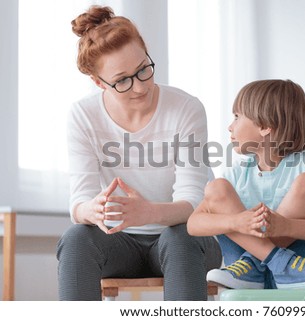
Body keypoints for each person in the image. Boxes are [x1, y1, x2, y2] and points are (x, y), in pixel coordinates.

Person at [56, 5, 221, 301]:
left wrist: (150, 212)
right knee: (77, 238)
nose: (140, 87)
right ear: (98, 82)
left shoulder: (186, 108)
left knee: (180, 236)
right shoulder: (83, 115)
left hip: (182, 241)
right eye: (122, 80)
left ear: (147, 54)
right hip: (119, 245)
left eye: (143, 69)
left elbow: (194, 202)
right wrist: (90, 210)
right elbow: (78, 203)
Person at [187, 79, 305, 289]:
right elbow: (193, 224)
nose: (230, 126)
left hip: (301, 276)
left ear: (264, 126)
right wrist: (237, 222)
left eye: (237, 117)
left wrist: (287, 226)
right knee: (217, 187)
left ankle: (256, 263)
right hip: (249, 277)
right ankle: (274, 264)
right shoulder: (236, 174)